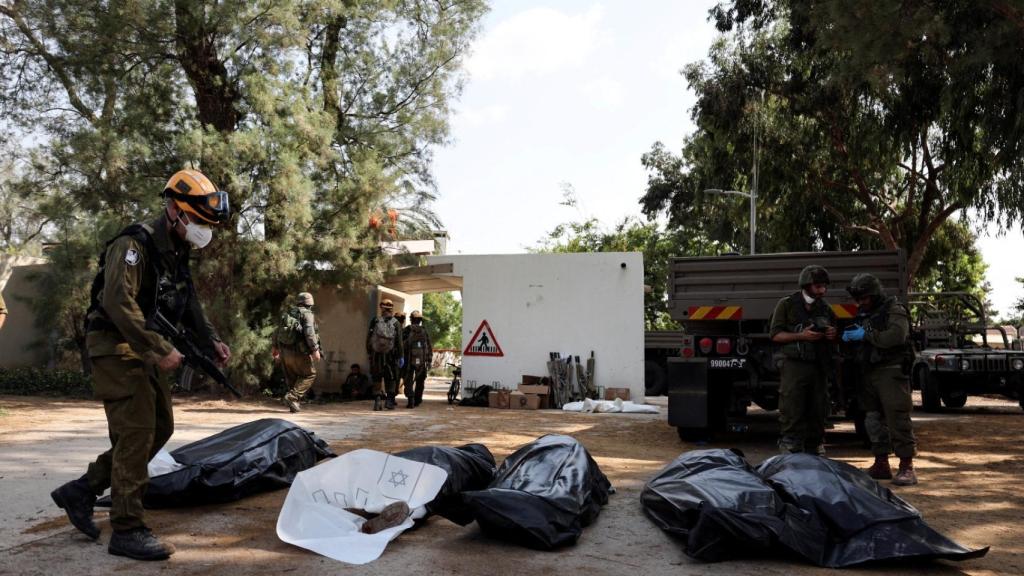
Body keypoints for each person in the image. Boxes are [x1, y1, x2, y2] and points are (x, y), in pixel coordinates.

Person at [51, 169, 230, 561]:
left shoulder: (176, 252)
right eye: (197, 221)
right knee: (137, 432)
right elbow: (118, 302)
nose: (202, 230)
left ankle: (82, 490)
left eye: (206, 223)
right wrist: (157, 347)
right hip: (116, 346)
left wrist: (210, 339)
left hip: (141, 346)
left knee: (160, 427)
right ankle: (127, 528)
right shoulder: (134, 244)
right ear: (173, 210)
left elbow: (190, 304)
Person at [843, 273, 919, 486]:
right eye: (858, 299)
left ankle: (906, 467)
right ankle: (881, 463)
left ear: (875, 294)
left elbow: (896, 336)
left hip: (891, 370)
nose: (861, 303)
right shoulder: (864, 312)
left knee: (897, 417)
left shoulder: (894, 310)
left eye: (864, 298)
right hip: (868, 370)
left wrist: (866, 336)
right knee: (872, 419)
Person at [769, 265, 837, 455]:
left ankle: (815, 444)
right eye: (818, 286)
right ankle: (790, 444)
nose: (822, 290)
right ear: (806, 285)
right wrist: (801, 336)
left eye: (824, 286)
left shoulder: (825, 308)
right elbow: (775, 335)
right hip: (794, 364)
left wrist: (832, 333)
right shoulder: (787, 304)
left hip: (818, 365)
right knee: (792, 405)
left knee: (819, 406)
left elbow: (834, 332)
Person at [273, 292, 321, 413]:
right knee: (310, 374)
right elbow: (310, 333)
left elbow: (276, 331)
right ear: (310, 303)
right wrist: (315, 350)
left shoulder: (287, 314)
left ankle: (293, 405)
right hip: (299, 352)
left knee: (293, 379)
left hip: (285, 352)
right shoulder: (307, 314)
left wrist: (275, 348)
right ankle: (292, 398)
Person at [366, 298, 403, 411]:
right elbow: (399, 342)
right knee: (391, 378)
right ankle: (389, 401)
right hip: (391, 355)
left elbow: (369, 338)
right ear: (392, 308)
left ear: (381, 307)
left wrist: (369, 352)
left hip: (376, 354)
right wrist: (401, 356)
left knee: (377, 377)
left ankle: (377, 401)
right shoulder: (396, 323)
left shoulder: (375, 320)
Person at [402, 310, 433, 408]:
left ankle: (411, 398)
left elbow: (401, 344)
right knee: (420, 381)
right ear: (420, 320)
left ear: (411, 319)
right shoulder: (424, 331)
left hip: (408, 359)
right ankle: (417, 399)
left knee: (408, 380)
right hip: (421, 360)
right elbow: (428, 346)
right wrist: (429, 359)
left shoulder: (407, 330)